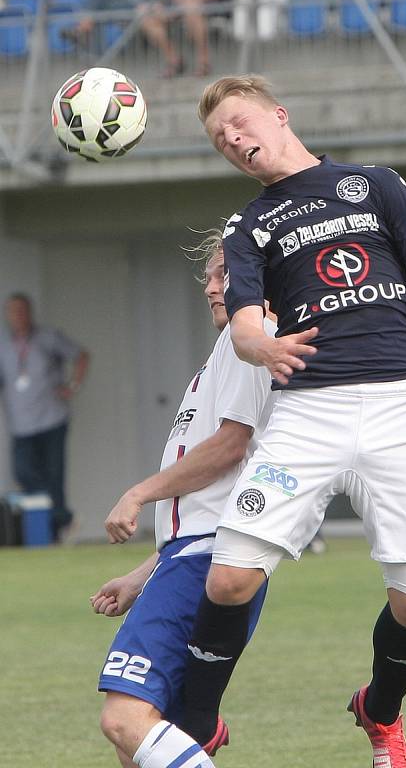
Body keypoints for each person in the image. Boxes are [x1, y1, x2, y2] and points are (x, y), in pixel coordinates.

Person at [175, 74, 406, 768]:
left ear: (277, 116)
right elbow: (245, 323)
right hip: (306, 413)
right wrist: (258, 342)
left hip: (400, 409)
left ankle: (379, 713)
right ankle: (197, 725)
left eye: (237, 122)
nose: (230, 139)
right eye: (218, 137)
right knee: (228, 579)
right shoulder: (250, 225)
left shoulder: (375, 185)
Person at [96, 234, 277, 768]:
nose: (210, 287)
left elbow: (228, 448)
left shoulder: (253, 340)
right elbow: (215, 498)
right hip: (194, 554)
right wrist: (145, 572)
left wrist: (139, 492)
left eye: (223, 273)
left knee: (123, 719)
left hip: (206, 560)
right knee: (143, 740)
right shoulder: (229, 350)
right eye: (208, 276)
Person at [0, 292, 89, 541]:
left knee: (54, 474)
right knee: (23, 472)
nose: (17, 316)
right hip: (20, 424)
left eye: (21, 310)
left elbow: (81, 356)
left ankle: (53, 530)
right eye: (12, 311)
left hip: (52, 419)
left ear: (29, 312)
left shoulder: (48, 338)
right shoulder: (3, 344)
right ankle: (62, 518)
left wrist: (73, 385)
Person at [132, 0, 232, 77]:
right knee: (144, 13)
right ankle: (174, 61)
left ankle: (204, 61)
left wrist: (193, 0)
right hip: (174, 5)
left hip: (210, 5)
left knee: (192, 8)